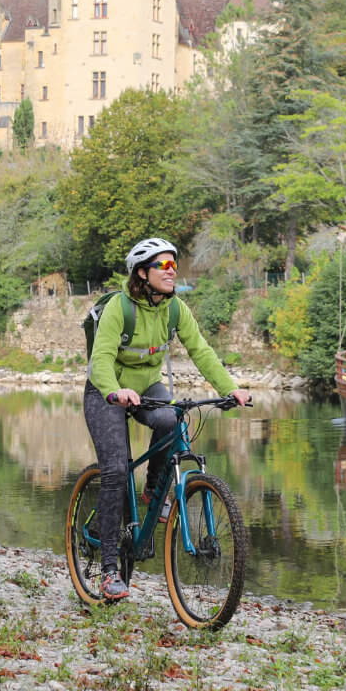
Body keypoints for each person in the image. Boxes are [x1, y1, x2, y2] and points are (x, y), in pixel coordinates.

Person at [85, 237, 250, 601]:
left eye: (174, 265)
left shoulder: (175, 308)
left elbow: (201, 351)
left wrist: (230, 388)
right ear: (142, 273)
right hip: (106, 391)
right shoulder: (119, 307)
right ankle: (110, 572)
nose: (172, 270)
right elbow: (100, 361)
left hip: (147, 387)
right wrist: (115, 391)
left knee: (174, 419)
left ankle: (154, 490)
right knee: (114, 471)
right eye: (163, 265)